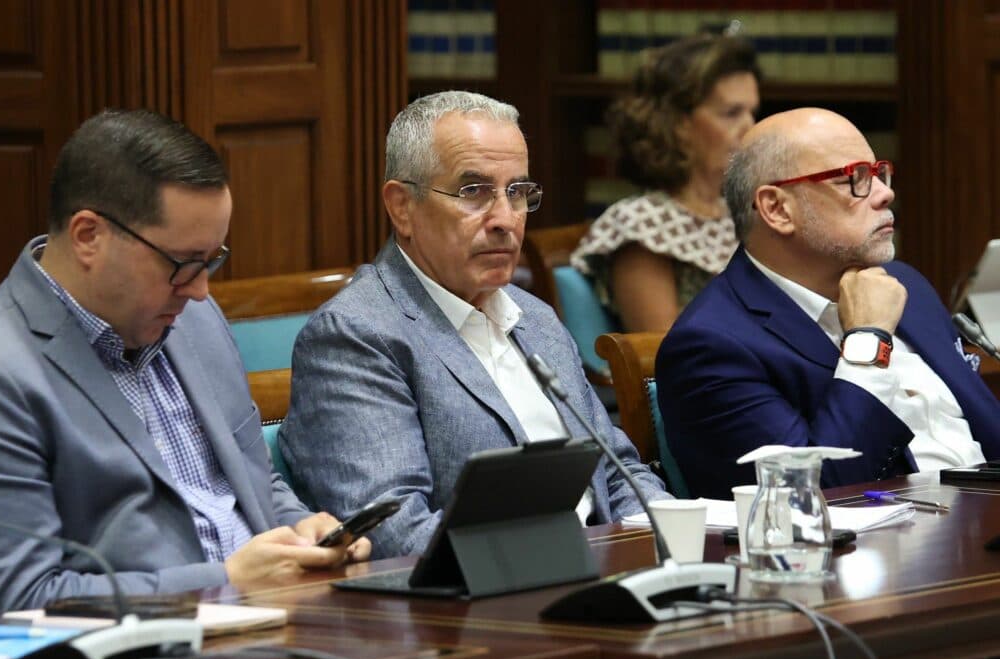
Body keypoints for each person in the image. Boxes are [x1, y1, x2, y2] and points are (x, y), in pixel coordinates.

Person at [0, 110, 370, 612]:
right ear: (88, 236)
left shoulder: (194, 319)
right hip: (150, 645)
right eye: (182, 264)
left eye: (211, 261)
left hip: (283, 619)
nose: (201, 290)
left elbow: (255, 482)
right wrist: (224, 582)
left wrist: (303, 531)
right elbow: (21, 598)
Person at [279, 91, 670, 559]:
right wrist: (571, 560)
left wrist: (678, 540)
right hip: (493, 594)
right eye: (474, 192)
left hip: (605, 573)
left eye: (517, 192)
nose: (505, 219)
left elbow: (619, 474)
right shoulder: (356, 336)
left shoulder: (536, 318)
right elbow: (393, 534)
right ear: (402, 206)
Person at [655, 107, 1000, 500]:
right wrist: (868, 341)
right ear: (777, 209)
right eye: (853, 179)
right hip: (900, 535)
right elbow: (810, 499)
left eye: (879, 173)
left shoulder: (905, 285)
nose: (885, 193)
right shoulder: (710, 347)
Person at [570, 34, 761, 332]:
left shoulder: (743, 214)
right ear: (678, 124)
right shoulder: (641, 223)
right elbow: (663, 348)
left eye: (752, 112)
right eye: (731, 113)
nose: (752, 128)